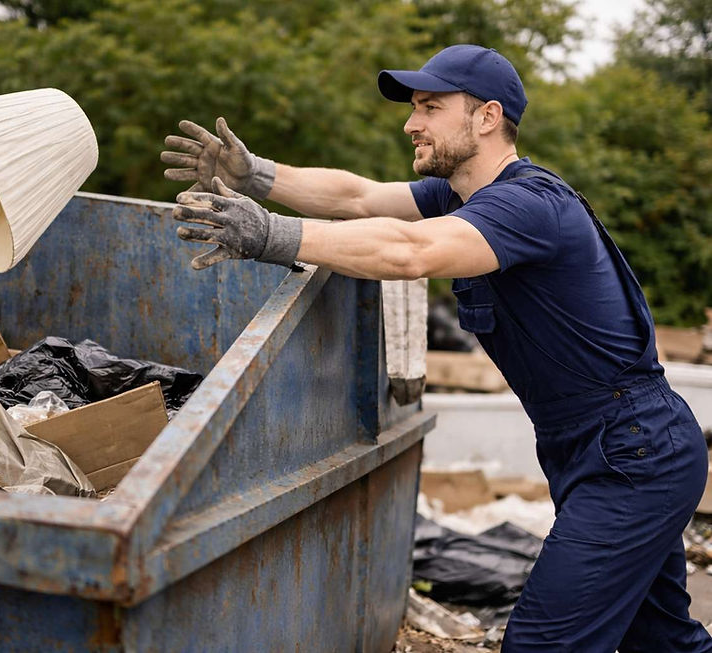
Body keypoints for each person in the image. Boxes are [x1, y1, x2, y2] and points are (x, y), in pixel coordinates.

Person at [161, 44, 711, 651]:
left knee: (542, 644)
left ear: (486, 117)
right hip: (604, 448)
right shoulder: (462, 197)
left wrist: (269, 233)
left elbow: (408, 251)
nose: (410, 123)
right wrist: (257, 176)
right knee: (660, 641)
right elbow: (358, 198)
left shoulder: (530, 205)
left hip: (633, 452)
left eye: (429, 107)